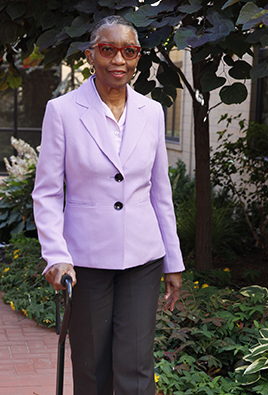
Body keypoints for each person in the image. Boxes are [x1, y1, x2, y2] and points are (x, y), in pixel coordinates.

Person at [32, 15, 185, 395]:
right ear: (90, 55)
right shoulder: (63, 111)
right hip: (84, 261)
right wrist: (56, 255)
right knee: (91, 367)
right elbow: (48, 192)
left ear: (137, 58)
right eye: (108, 49)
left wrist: (173, 261)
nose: (119, 59)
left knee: (136, 367)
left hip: (142, 257)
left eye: (129, 51)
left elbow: (159, 191)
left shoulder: (151, 112)